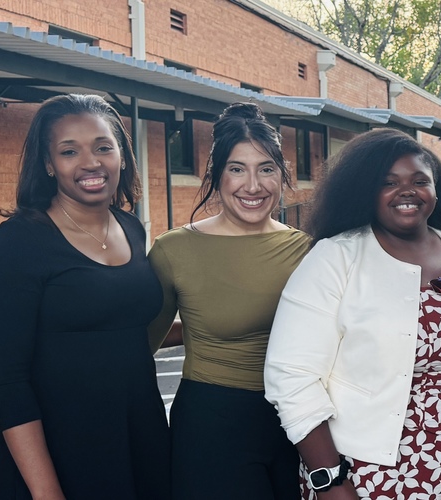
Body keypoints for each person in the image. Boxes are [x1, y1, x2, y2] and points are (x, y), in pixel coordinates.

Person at [263, 128, 441, 499]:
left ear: (436, 189)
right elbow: (291, 377)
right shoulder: (334, 258)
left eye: (419, 181)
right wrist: (329, 479)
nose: (407, 191)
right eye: (388, 182)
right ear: (365, 191)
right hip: (373, 474)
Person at [0, 94, 170, 499]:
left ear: (121, 156)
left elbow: (125, 328)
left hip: (141, 444)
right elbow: (9, 383)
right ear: (48, 164)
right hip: (62, 454)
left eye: (103, 147)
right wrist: (47, 492)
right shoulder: (16, 244)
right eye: (69, 151)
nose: (91, 162)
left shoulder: (131, 228)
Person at [147, 102, 309, 499]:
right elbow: (139, 346)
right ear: (217, 175)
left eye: (266, 169)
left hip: (301, 422)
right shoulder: (174, 250)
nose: (253, 186)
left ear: (281, 174)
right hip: (214, 425)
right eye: (237, 169)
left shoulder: (308, 250)